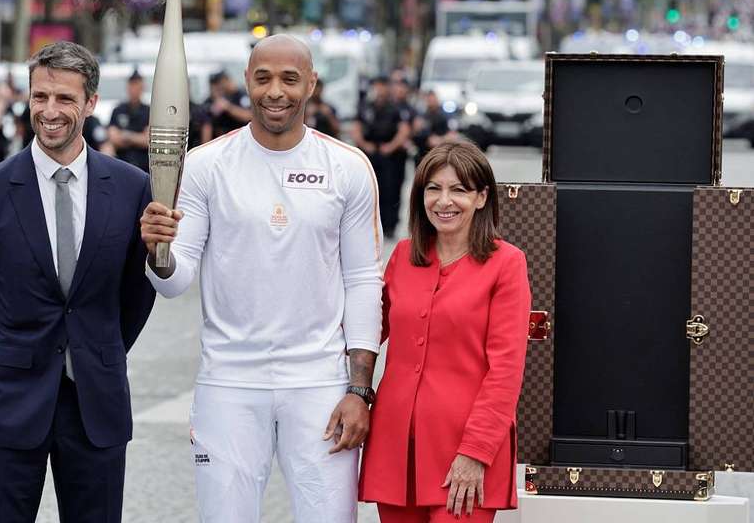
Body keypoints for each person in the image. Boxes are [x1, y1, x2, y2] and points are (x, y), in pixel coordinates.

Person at [140, 34, 383, 522]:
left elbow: (363, 281)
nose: (276, 91)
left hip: (319, 384)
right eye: (263, 77)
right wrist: (158, 252)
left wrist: (359, 391)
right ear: (247, 81)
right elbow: (175, 278)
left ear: (311, 84)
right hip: (229, 381)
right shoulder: (207, 166)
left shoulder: (348, 168)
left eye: (290, 79)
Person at [0, 41, 156, 523]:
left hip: (95, 404)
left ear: (91, 103)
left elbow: (135, 292)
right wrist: (8, 357)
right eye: (40, 97)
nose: (50, 111)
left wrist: (97, 347)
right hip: (8, 402)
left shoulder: (129, 188)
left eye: (64, 99)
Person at [359, 141, 531, 523]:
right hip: (396, 446)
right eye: (433, 189)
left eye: (459, 189)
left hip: (464, 449)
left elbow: (505, 371)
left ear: (482, 197)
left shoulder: (506, 264)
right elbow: (364, 333)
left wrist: (476, 452)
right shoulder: (403, 255)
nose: (444, 201)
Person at [350, 76, 412, 240]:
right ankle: (367, 225)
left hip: (390, 155)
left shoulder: (396, 108)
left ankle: (389, 226)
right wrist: (364, 144)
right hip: (369, 152)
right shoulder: (365, 106)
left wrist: (390, 147)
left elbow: (403, 130)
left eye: (383, 86)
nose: (380, 89)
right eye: (377, 86)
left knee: (390, 191)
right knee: (367, 190)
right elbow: (355, 128)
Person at [108, 69, 150, 170]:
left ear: (142, 88)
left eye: (137, 86)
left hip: (143, 166)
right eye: (132, 86)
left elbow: (148, 140)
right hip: (121, 163)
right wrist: (138, 138)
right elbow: (113, 138)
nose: (134, 89)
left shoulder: (149, 111)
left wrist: (126, 136)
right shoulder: (118, 110)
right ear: (128, 87)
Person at [198, 70, 252, 143]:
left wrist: (228, 107)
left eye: (220, 83)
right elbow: (206, 123)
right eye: (215, 85)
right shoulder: (212, 100)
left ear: (227, 80)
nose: (220, 86)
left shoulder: (241, 94)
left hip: (242, 138)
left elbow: (249, 116)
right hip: (221, 141)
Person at [412, 91, 458, 164]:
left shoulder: (445, 116)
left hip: (439, 154)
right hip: (422, 155)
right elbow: (414, 134)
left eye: (433, 99)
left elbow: (453, 135)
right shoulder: (421, 116)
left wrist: (440, 140)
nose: (431, 102)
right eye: (429, 100)